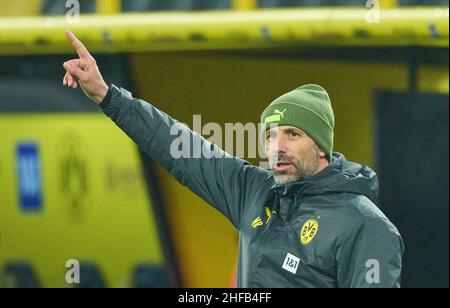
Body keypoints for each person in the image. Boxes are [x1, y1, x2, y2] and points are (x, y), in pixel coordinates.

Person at [62, 30, 403, 288]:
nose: (277, 146)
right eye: (270, 135)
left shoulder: (367, 226)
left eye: (292, 134)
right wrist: (108, 96)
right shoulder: (254, 190)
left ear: (322, 147)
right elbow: (179, 146)